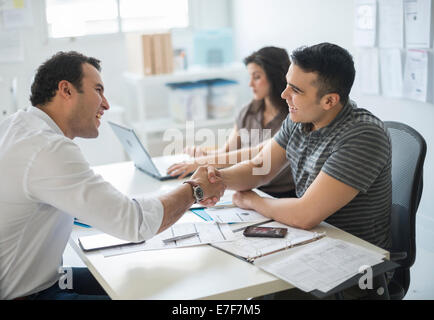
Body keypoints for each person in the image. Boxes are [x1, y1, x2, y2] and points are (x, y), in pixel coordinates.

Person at [0, 51, 225, 300]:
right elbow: (134, 223)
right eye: (98, 90)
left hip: (45, 277)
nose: (105, 103)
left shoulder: (17, 126)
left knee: (142, 279)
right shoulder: (48, 148)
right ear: (66, 90)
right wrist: (195, 189)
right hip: (29, 293)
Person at [206, 43, 392, 299]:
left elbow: (305, 214)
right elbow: (259, 168)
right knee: (231, 270)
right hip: (311, 241)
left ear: (329, 100)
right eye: (287, 84)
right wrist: (215, 178)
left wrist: (253, 200)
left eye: (295, 90)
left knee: (257, 292)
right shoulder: (301, 119)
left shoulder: (363, 136)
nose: (284, 95)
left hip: (353, 266)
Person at [167, 46, 296, 198]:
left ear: (275, 76)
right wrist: (203, 155)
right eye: (250, 77)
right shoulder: (248, 111)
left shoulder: (293, 117)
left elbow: (258, 155)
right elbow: (228, 151)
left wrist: (203, 161)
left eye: (257, 77)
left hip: (279, 194)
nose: (250, 84)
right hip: (249, 188)